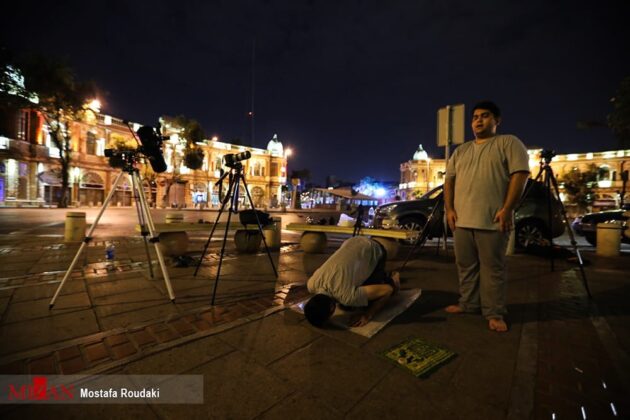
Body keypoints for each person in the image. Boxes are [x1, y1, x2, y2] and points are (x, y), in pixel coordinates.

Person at [444, 101, 530, 332]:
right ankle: (469, 304)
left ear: (496, 120)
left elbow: (519, 175)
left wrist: (507, 208)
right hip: (462, 221)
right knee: (465, 266)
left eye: (485, 116)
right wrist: (449, 210)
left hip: (492, 220)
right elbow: (449, 181)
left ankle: (494, 312)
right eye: (475, 117)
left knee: (493, 268)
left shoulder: (508, 143)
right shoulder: (461, 151)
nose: (478, 121)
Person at [304, 236, 400, 328]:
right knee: (349, 304)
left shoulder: (348, 297)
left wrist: (368, 315)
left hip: (374, 247)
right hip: (352, 241)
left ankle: (392, 279)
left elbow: (387, 290)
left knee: (365, 303)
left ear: (332, 308)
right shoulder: (311, 284)